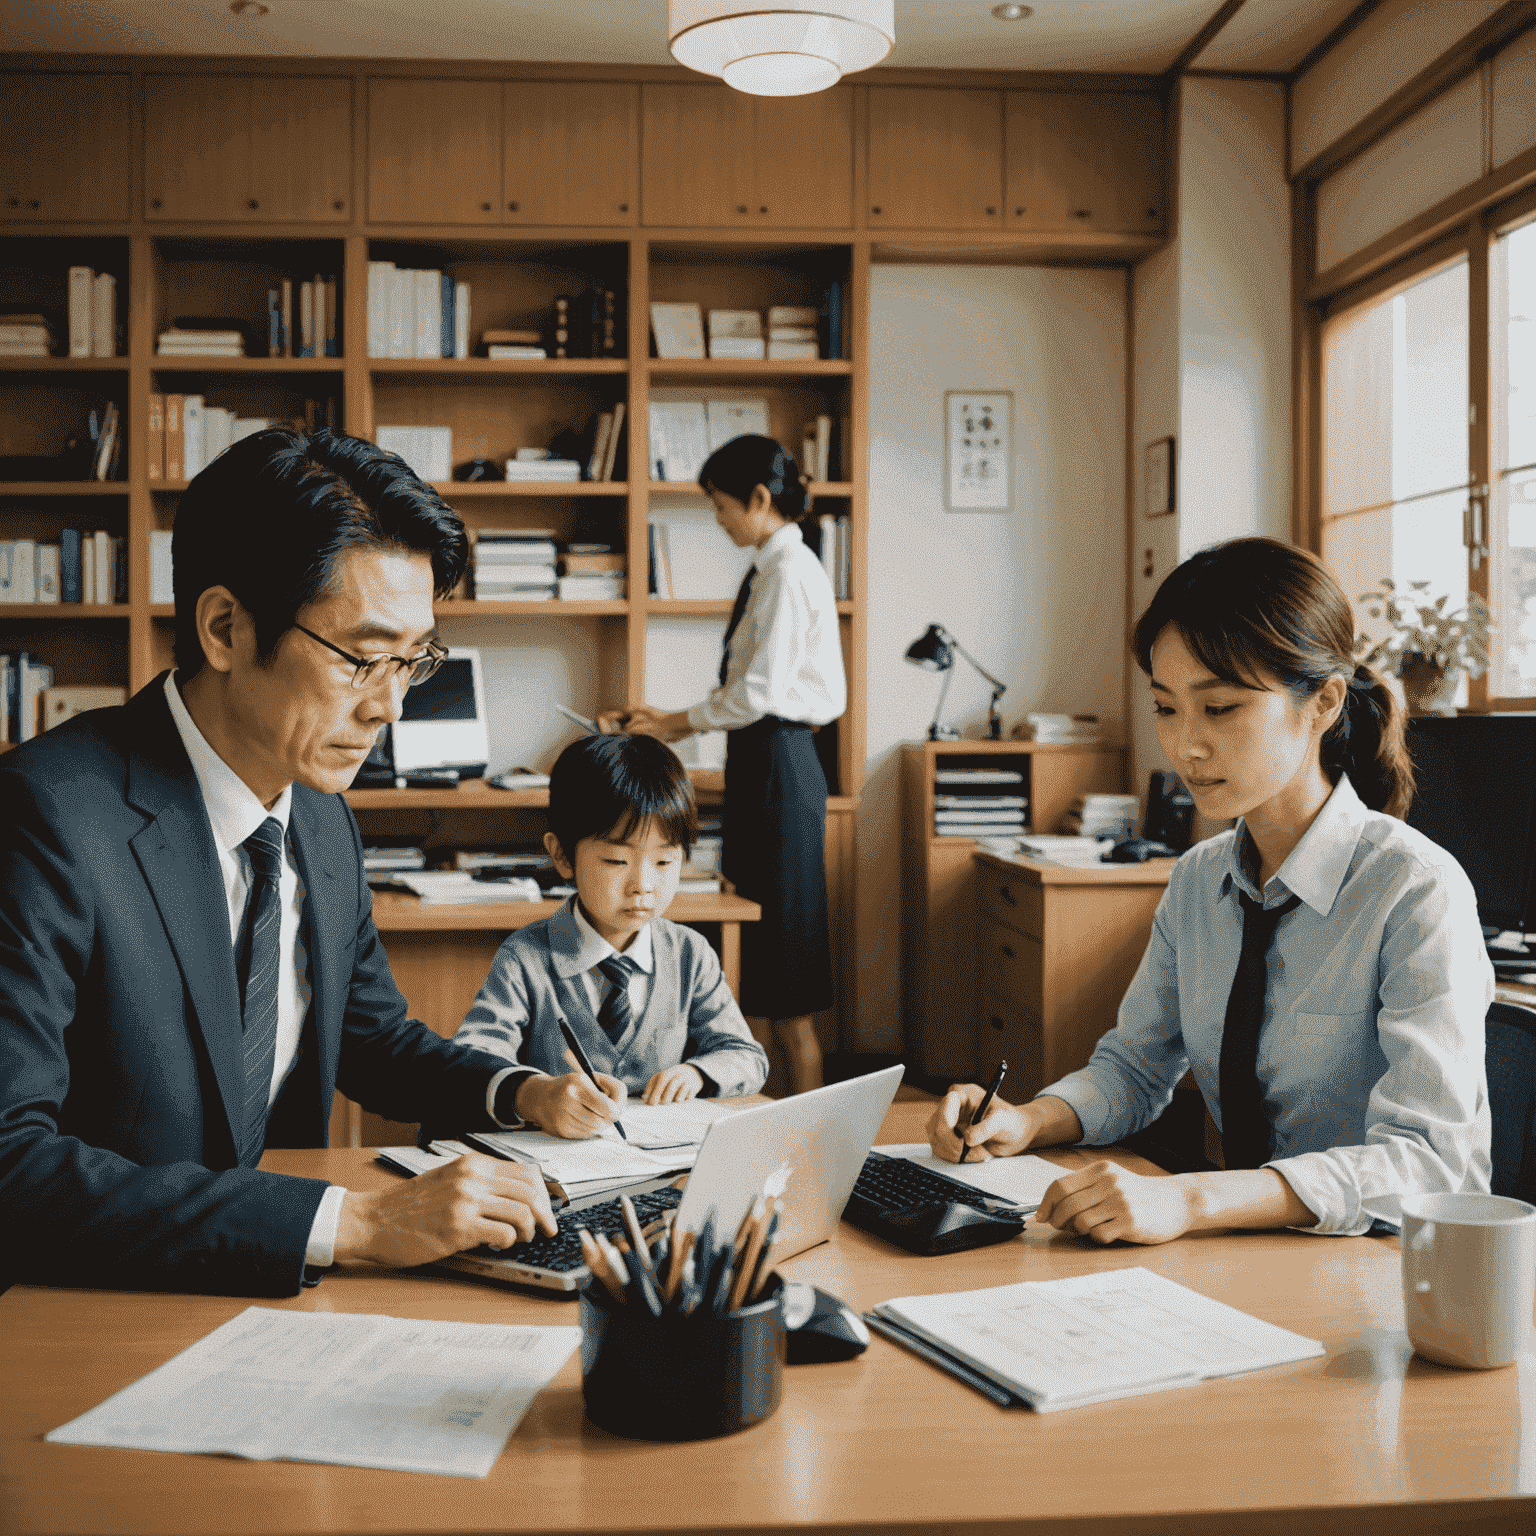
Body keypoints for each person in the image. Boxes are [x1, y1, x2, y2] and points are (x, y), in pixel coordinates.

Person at [0, 427, 568, 1298]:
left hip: (267, 1305)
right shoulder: (47, 813)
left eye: (412, 661)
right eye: (360, 659)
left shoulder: (321, 818)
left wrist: (518, 1091)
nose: (391, 707)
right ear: (225, 627)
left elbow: (369, 1039)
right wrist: (358, 1223)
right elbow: (12, 1164)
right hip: (86, 1307)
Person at [929, 536, 1493, 1244]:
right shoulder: (1200, 880)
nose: (1185, 745)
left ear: (1322, 702)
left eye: (1220, 708)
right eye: (1167, 708)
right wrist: (1026, 1118)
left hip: (1374, 1265)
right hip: (1246, 1250)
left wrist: (1194, 1201)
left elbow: (1432, 1162)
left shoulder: (1415, 892)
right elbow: (1134, 1068)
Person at [599, 434, 846, 1094]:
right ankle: (757, 1121)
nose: (718, 519)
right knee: (759, 974)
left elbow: (757, 694)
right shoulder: (770, 567)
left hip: (780, 765)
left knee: (787, 983)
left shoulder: (791, 572)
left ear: (760, 499)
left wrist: (674, 722)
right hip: (761, 762)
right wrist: (671, 722)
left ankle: (815, 1140)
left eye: (721, 506)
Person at [453, 733, 769, 1132]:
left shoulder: (690, 954)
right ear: (563, 856)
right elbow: (471, 1059)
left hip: (659, 1167)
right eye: (617, 860)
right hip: (558, 1167)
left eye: (665, 860)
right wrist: (536, 1094)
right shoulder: (525, 958)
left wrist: (698, 1074)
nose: (643, 885)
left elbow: (746, 1056)